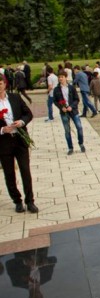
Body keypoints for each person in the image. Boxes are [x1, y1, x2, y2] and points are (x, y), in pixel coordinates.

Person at [0, 76, 38, 213]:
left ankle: (30, 200)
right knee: (9, 174)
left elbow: (28, 114)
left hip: (20, 140)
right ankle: (17, 200)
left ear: (5, 84)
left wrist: (21, 122)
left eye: (0, 83)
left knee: (25, 171)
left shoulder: (15, 97)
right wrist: (2, 129)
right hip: (4, 143)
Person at [53, 71, 86, 155]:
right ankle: (70, 147)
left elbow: (76, 99)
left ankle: (81, 143)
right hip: (64, 111)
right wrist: (61, 107)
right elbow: (55, 101)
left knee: (79, 127)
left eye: (62, 77)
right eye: (59, 77)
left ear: (65, 77)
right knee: (67, 130)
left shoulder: (71, 88)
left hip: (73, 110)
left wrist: (72, 106)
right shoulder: (56, 89)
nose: (60, 78)